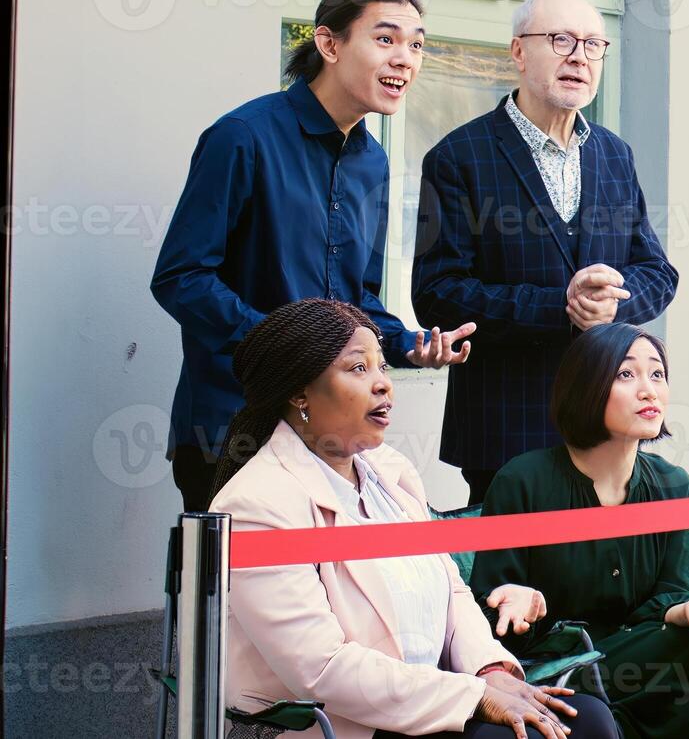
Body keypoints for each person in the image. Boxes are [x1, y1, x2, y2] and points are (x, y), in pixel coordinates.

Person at [207, 298, 617, 739]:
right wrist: (471, 696)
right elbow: (321, 668)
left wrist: (491, 669)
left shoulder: (390, 472)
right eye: (358, 369)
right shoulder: (256, 506)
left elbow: (452, 592)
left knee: (588, 718)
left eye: (382, 367)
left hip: (436, 699)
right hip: (350, 724)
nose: (383, 385)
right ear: (298, 393)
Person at [153, 0, 475, 512]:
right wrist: (286, 346)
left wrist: (407, 344)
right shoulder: (243, 136)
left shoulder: (373, 160)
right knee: (221, 593)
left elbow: (358, 300)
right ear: (329, 44)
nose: (405, 59)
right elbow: (180, 279)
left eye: (417, 44)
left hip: (330, 430)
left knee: (328, 593)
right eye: (386, 39)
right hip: (232, 424)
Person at [413, 0, 678, 505]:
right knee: (513, 587)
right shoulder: (457, 157)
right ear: (518, 52)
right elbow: (437, 293)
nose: (579, 56)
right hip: (506, 431)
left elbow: (657, 271)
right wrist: (563, 306)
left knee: (602, 581)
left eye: (594, 45)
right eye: (560, 41)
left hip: (608, 428)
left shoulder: (613, 154)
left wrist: (612, 299)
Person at [468, 324, 689, 739]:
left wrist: (684, 609)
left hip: (640, 655)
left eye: (657, 374)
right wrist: (520, 602)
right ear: (586, 386)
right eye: (626, 374)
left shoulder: (673, 486)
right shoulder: (523, 481)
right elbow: (483, 615)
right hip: (554, 664)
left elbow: (670, 592)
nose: (649, 390)